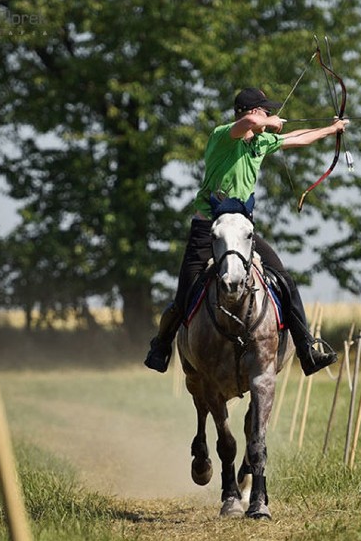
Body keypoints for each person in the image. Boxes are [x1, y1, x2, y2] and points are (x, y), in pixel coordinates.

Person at [144, 87, 347, 376]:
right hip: (208, 229)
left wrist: (332, 129)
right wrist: (269, 122)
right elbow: (250, 124)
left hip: (241, 231)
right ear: (251, 111)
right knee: (184, 295)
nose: (268, 114)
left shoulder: (260, 143)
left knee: (285, 282)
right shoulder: (224, 135)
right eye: (264, 109)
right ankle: (160, 347)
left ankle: (307, 350)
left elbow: (297, 138)